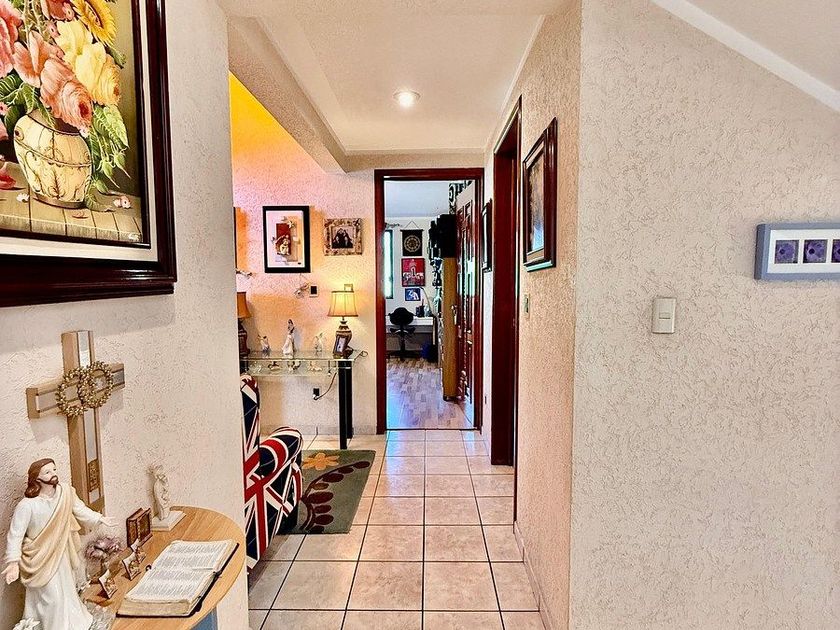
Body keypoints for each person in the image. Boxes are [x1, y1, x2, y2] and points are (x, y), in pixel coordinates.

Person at [3, 459, 118, 630]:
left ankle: (72, 624)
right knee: (52, 598)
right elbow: (15, 535)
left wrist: (99, 518)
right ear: (37, 478)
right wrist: (13, 563)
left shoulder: (65, 493)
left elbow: (80, 509)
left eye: (54, 470)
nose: (53, 474)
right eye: (47, 472)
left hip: (62, 553)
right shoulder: (27, 506)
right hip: (40, 559)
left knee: (67, 591)